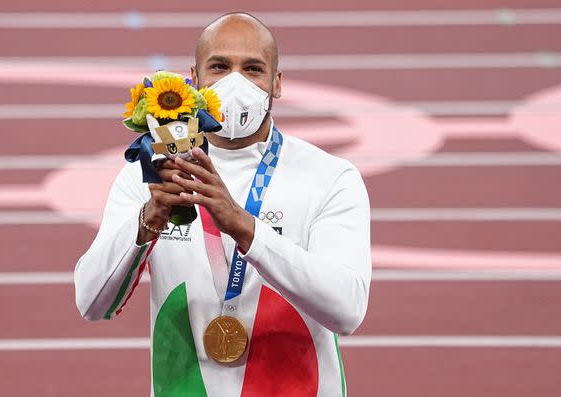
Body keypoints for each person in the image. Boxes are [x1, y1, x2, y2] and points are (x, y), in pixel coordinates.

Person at [74, 12, 371, 397]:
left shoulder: (330, 177)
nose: (236, 83)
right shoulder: (151, 175)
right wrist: (148, 221)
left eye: (252, 69)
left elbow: (347, 309)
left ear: (275, 83)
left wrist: (247, 230)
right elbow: (91, 303)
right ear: (194, 80)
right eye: (219, 66)